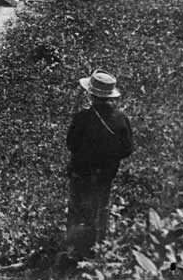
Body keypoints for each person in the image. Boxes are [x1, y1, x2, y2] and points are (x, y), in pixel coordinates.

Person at [64, 69, 133, 258]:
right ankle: (97, 254)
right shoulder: (121, 118)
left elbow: (71, 144)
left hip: (81, 173)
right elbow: (127, 149)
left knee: (77, 211)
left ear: (91, 94)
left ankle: (73, 253)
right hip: (104, 176)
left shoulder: (82, 117)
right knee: (100, 212)